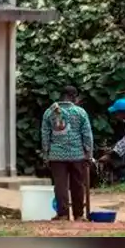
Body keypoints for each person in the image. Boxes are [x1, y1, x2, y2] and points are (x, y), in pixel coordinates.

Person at [41, 86, 94, 221]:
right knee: (78, 184)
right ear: (74, 97)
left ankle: (63, 214)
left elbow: (45, 136)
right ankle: (79, 215)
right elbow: (87, 135)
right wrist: (88, 154)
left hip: (56, 155)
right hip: (77, 155)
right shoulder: (80, 112)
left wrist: (46, 155)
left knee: (60, 185)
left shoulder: (49, 112)